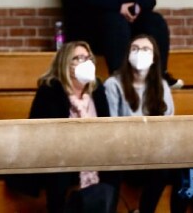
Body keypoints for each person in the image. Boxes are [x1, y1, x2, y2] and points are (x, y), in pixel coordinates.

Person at [7, 41, 117, 213]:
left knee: (117, 164)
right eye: (78, 58)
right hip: (57, 155)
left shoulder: (98, 90)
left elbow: (107, 129)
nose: (85, 62)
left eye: (88, 58)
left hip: (93, 153)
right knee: (60, 167)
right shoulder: (50, 90)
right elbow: (45, 135)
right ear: (65, 63)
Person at [104, 34, 179, 213]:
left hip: (154, 157)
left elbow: (169, 126)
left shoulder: (161, 86)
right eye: (135, 49)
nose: (140, 53)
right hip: (125, 158)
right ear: (128, 55)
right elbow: (110, 127)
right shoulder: (113, 85)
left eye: (146, 49)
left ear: (154, 58)